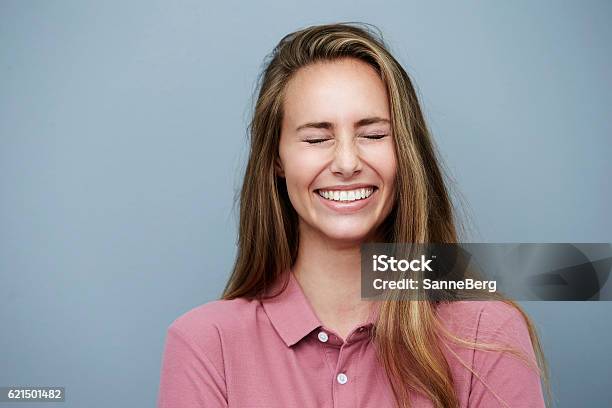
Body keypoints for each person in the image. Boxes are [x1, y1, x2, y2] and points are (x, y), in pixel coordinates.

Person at [157, 22, 549, 408]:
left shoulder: (487, 333)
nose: (346, 162)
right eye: (316, 138)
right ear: (277, 160)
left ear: (405, 154)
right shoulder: (205, 344)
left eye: (374, 135)